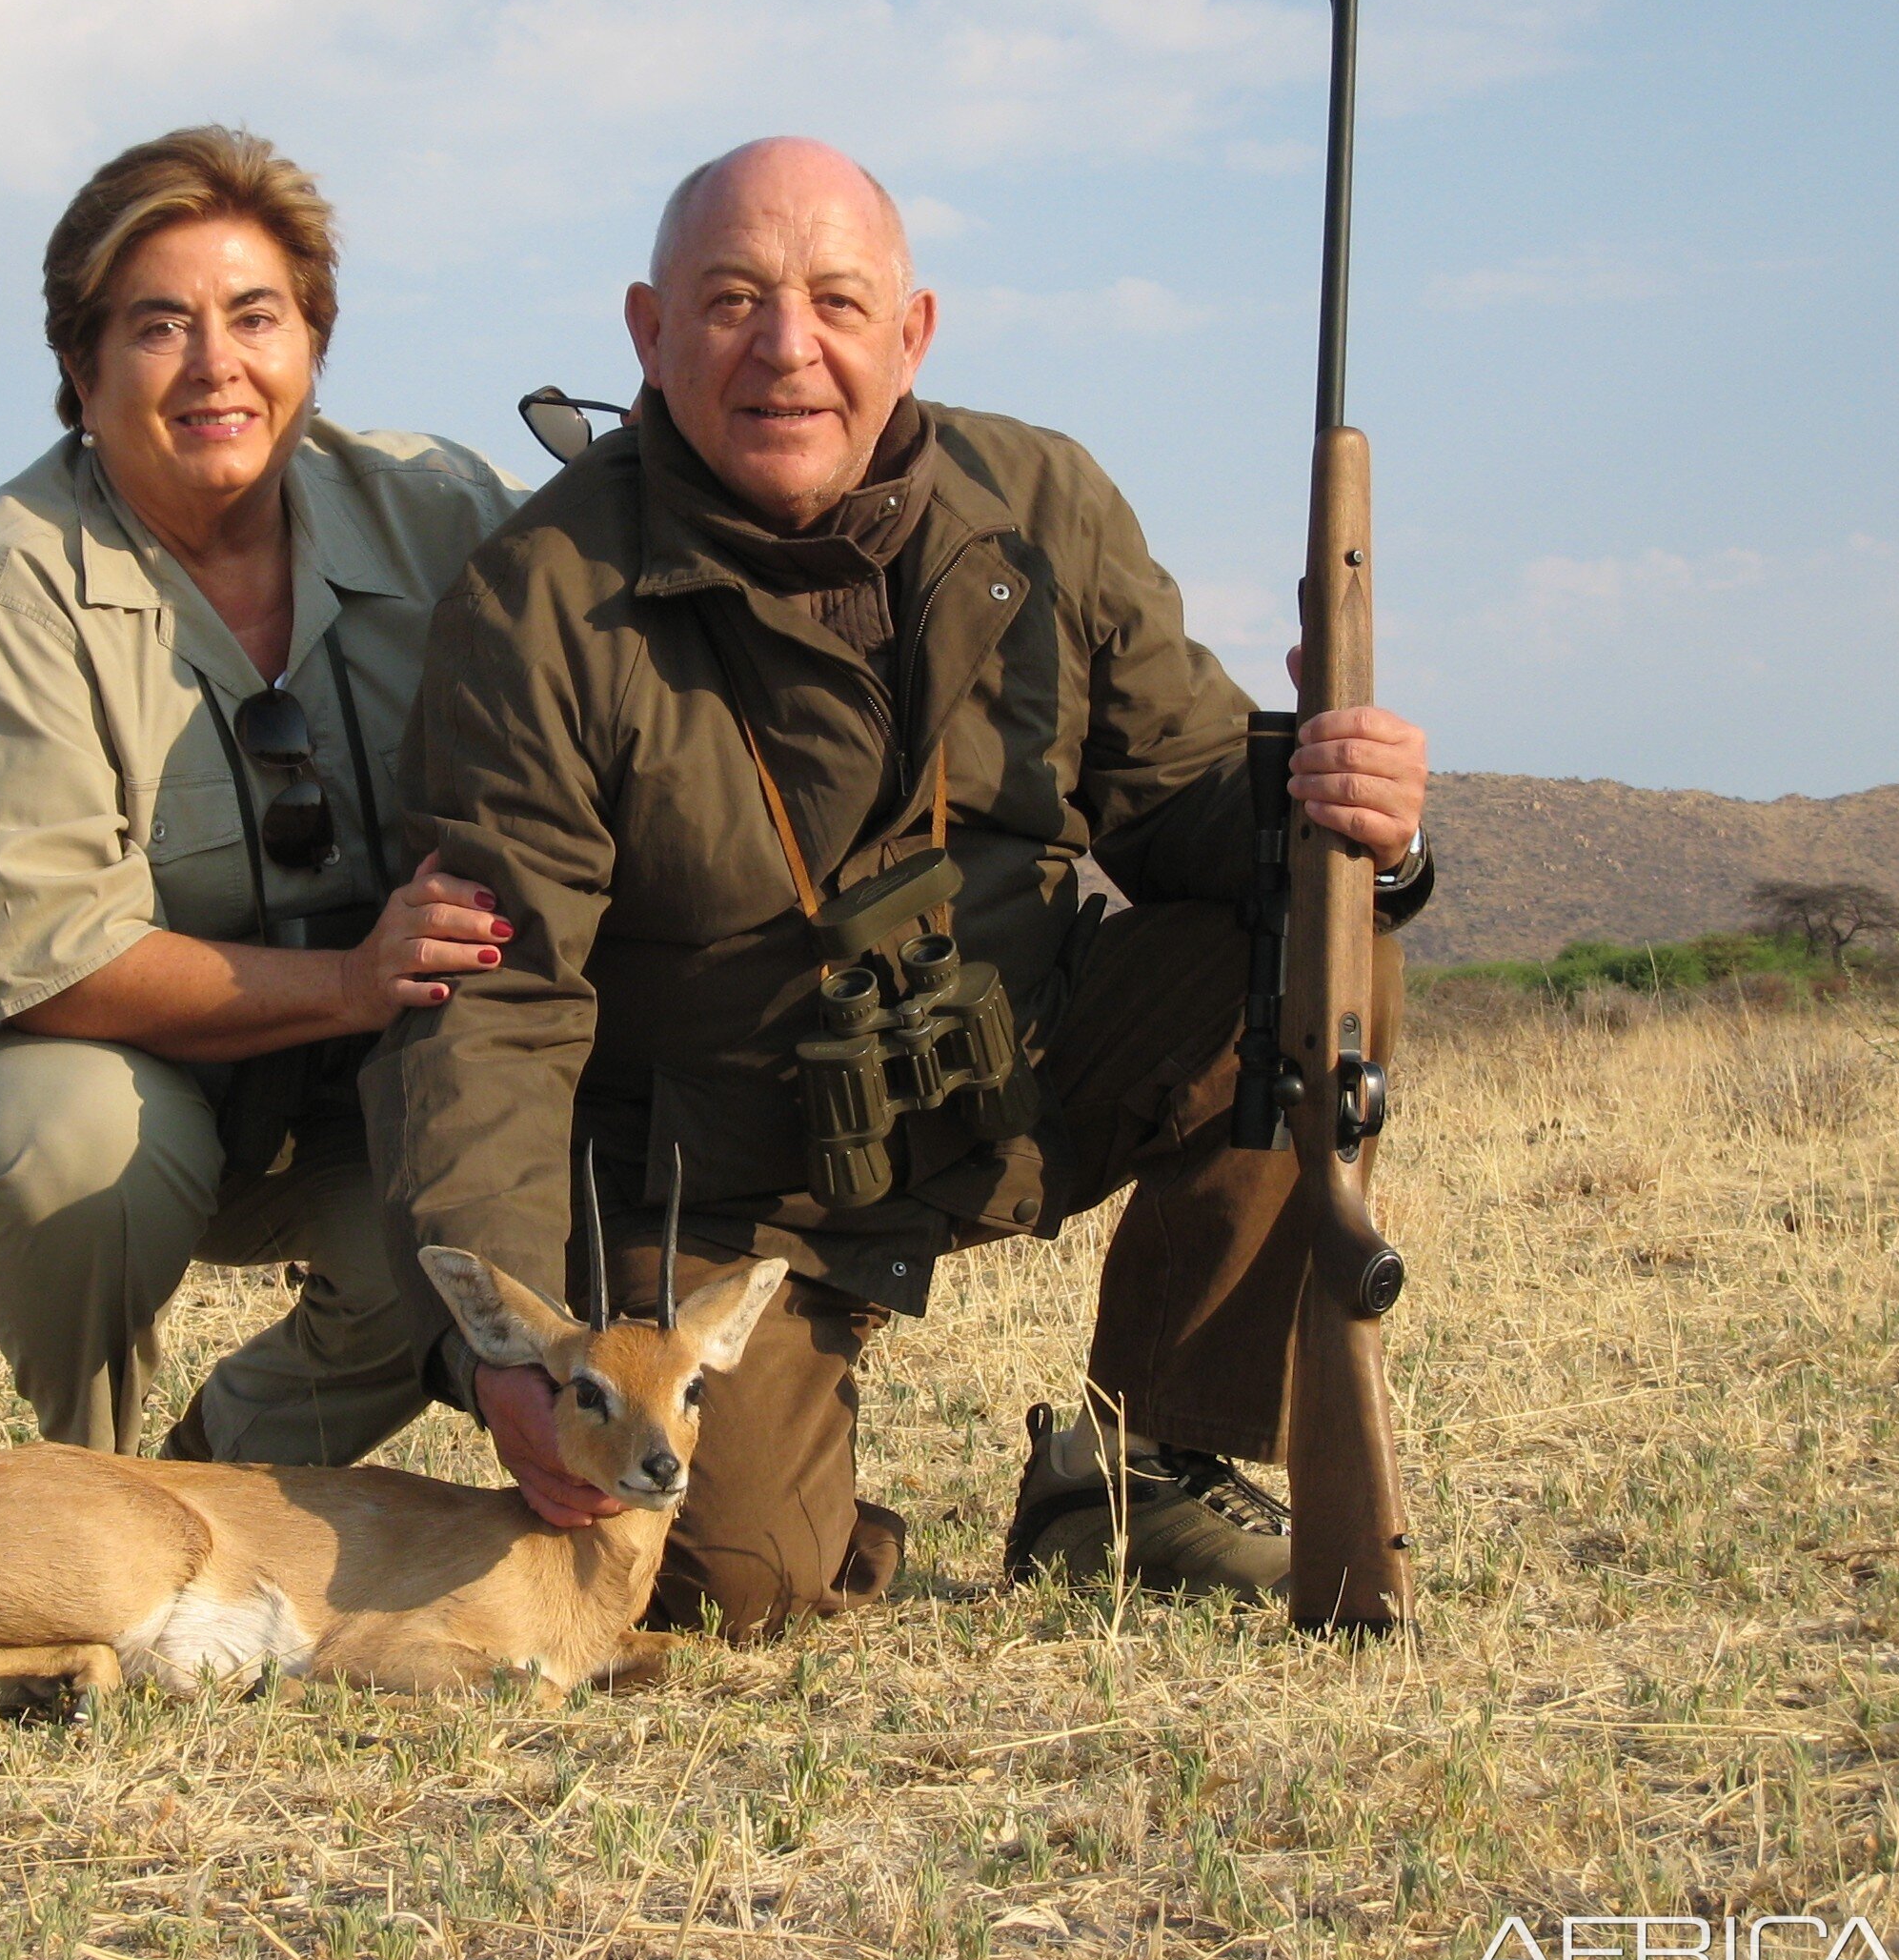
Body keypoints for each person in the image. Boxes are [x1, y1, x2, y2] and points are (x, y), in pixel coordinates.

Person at [365, 136, 1432, 1635]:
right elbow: (492, 1004)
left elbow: (1194, 806)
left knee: (1324, 949)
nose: (786, 349)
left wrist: (1342, 811)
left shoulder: (1047, 503)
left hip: (1012, 1087)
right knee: (723, 1586)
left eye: (836, 303)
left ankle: (1141, 1468)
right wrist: (510, 1357)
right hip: (731, 1180)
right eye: (730, 300)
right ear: (647, 332)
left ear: (912, 331)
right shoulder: (535, 598)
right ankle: (805, 1499)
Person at [0, 127, 522, 1463]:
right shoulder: (1, 588)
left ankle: (211, 1489)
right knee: (81, 1138)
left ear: (314, 341)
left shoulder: (440, 507)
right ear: (82, 363)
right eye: (159, 327)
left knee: (457, 1235)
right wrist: (355, 986)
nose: (216, 366)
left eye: (256, 317)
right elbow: (49, 968)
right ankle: (81, 1489)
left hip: (308, 1073)